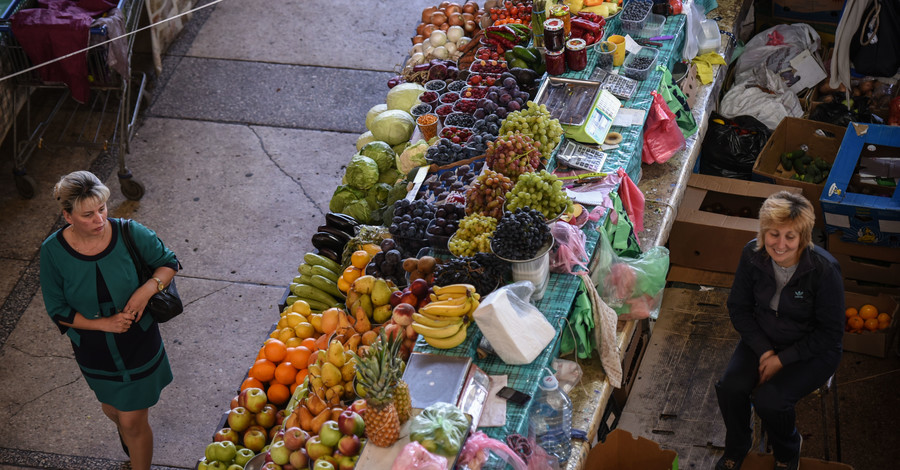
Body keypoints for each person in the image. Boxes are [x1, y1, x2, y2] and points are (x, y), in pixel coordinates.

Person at [39, 171, 179, 470]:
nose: (100, 220)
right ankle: (130, 439)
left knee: (131, 420)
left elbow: (168, 263)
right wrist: (105, 324)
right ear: (67, 216)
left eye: (102, 209)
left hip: (138, 341)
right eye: (87, 215)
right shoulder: (52, 252)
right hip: (93, 349)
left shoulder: (130, 232)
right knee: (112, 409)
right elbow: (57, 308)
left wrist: (145, 291)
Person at [715, 191, 843, 470]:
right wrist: (765, 351)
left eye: (790, 237)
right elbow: (738, 307)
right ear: (763, 232)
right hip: (765, 338)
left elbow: (830, 333)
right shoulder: (752, 255)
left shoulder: (824, 271)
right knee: (730, 388)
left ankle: (787, 451)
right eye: (774, 234)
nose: (780, 245)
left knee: (770, 401)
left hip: (813, 350)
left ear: (804, 238)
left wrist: (781, 360)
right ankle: (737, 446)